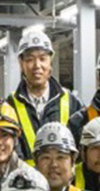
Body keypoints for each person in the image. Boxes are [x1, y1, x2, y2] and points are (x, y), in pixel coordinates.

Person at [7, 27, 81, 163]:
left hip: (63, 180)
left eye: (42, 59)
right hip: (26, 182)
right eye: (30, 59)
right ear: (21, 64)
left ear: (50, 62)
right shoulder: (9, 106)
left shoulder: (72, 103)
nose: (37, 65)